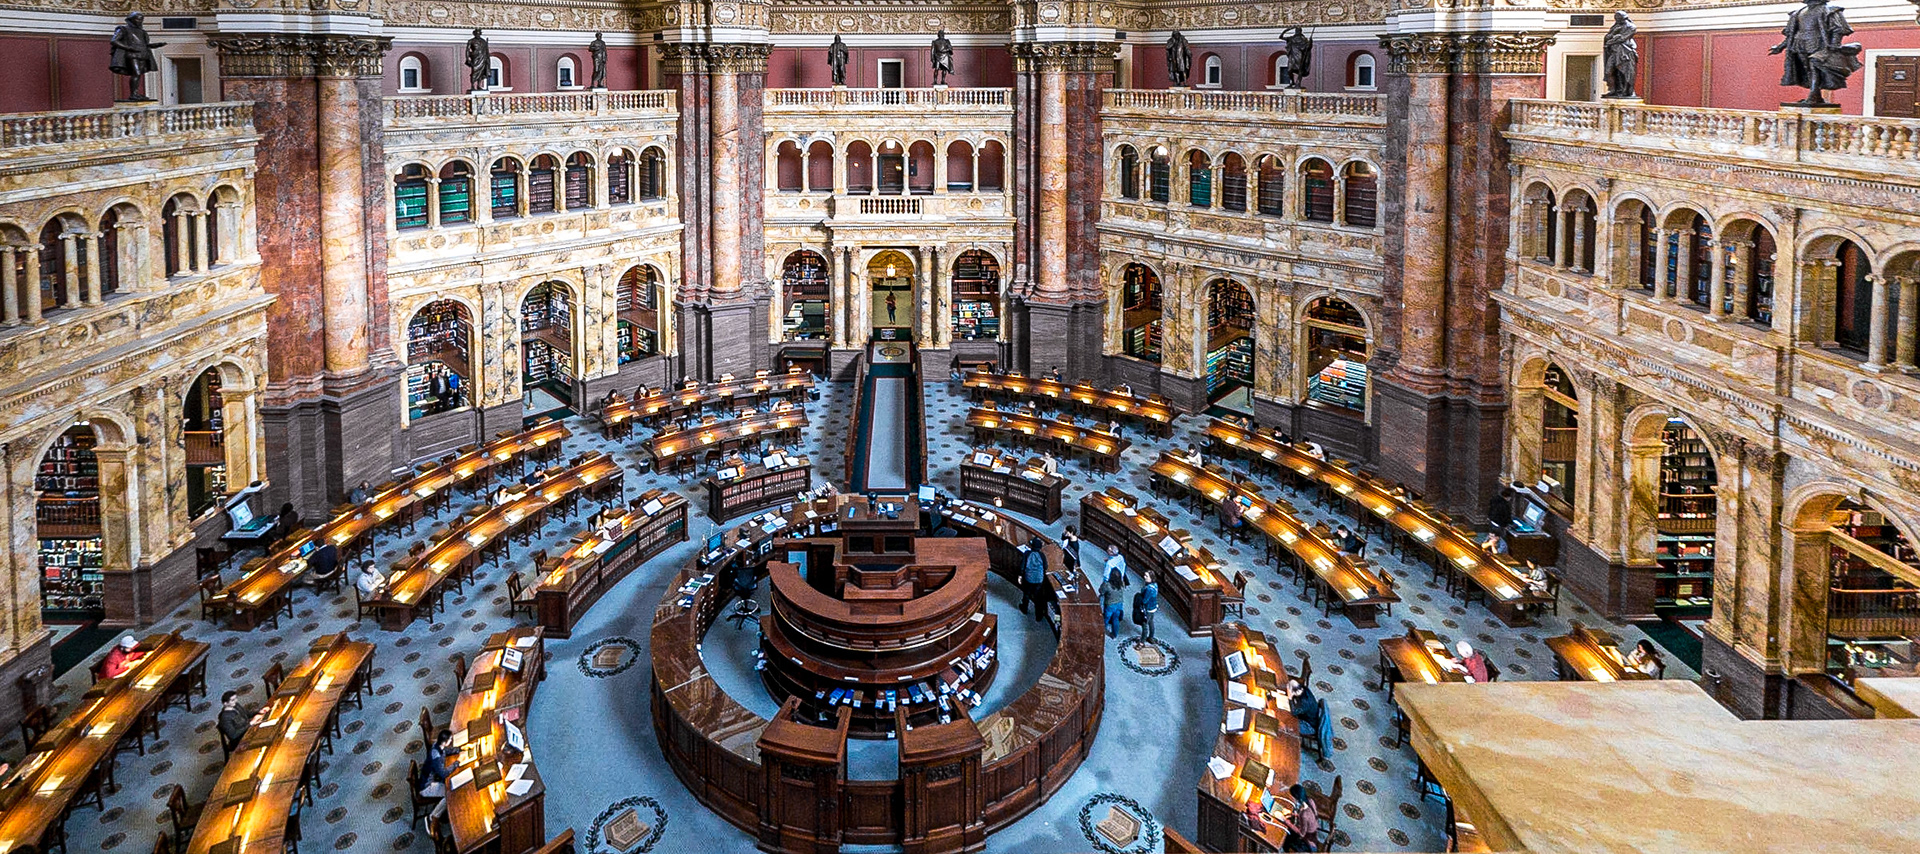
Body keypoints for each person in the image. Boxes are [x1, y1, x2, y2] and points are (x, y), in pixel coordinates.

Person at [420, 730, 454, 815]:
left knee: (450, 786)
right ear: (445, 742)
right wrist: (457, 762)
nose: (451, 741)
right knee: (450, 794)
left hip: (432, 779)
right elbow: (444, 773)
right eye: (450, 739)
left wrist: (460, 749)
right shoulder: (436, 756)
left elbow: (447, 751)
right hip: (427, 787)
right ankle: (433, 817)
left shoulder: (437, 745)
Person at [1282, 783, 1320, 852]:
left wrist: (1288, 823)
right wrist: (1294, 814)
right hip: (1314, 832)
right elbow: (1311, 816)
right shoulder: (1310, 801)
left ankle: (1286, 850)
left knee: (1286, 837)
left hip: (1308, 842)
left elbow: (1302, 834)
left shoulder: (1304, 815)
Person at [1019, 539, 1050, 623]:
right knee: (1038, 597)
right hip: (1039, 579)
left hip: (1028, 578)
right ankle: (1038, 615)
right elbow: (1046, 566)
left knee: (1027, 593)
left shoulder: (1027, 554)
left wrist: (1020, 575)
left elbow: (1022, 566)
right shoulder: (1042, 555)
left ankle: (1024, 608)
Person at [1136, 571, 1160, 641]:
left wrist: (1139, 600)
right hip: (1153, 606)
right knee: (1151, 622)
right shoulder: (1155, 584)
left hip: (1148, 608)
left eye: (1146, 576)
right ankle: (1151, 637)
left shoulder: (1149, 589)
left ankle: (1142, 641)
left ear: (1151, 578)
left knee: (1145, 624)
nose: (1144, 577)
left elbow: (1145, 600)